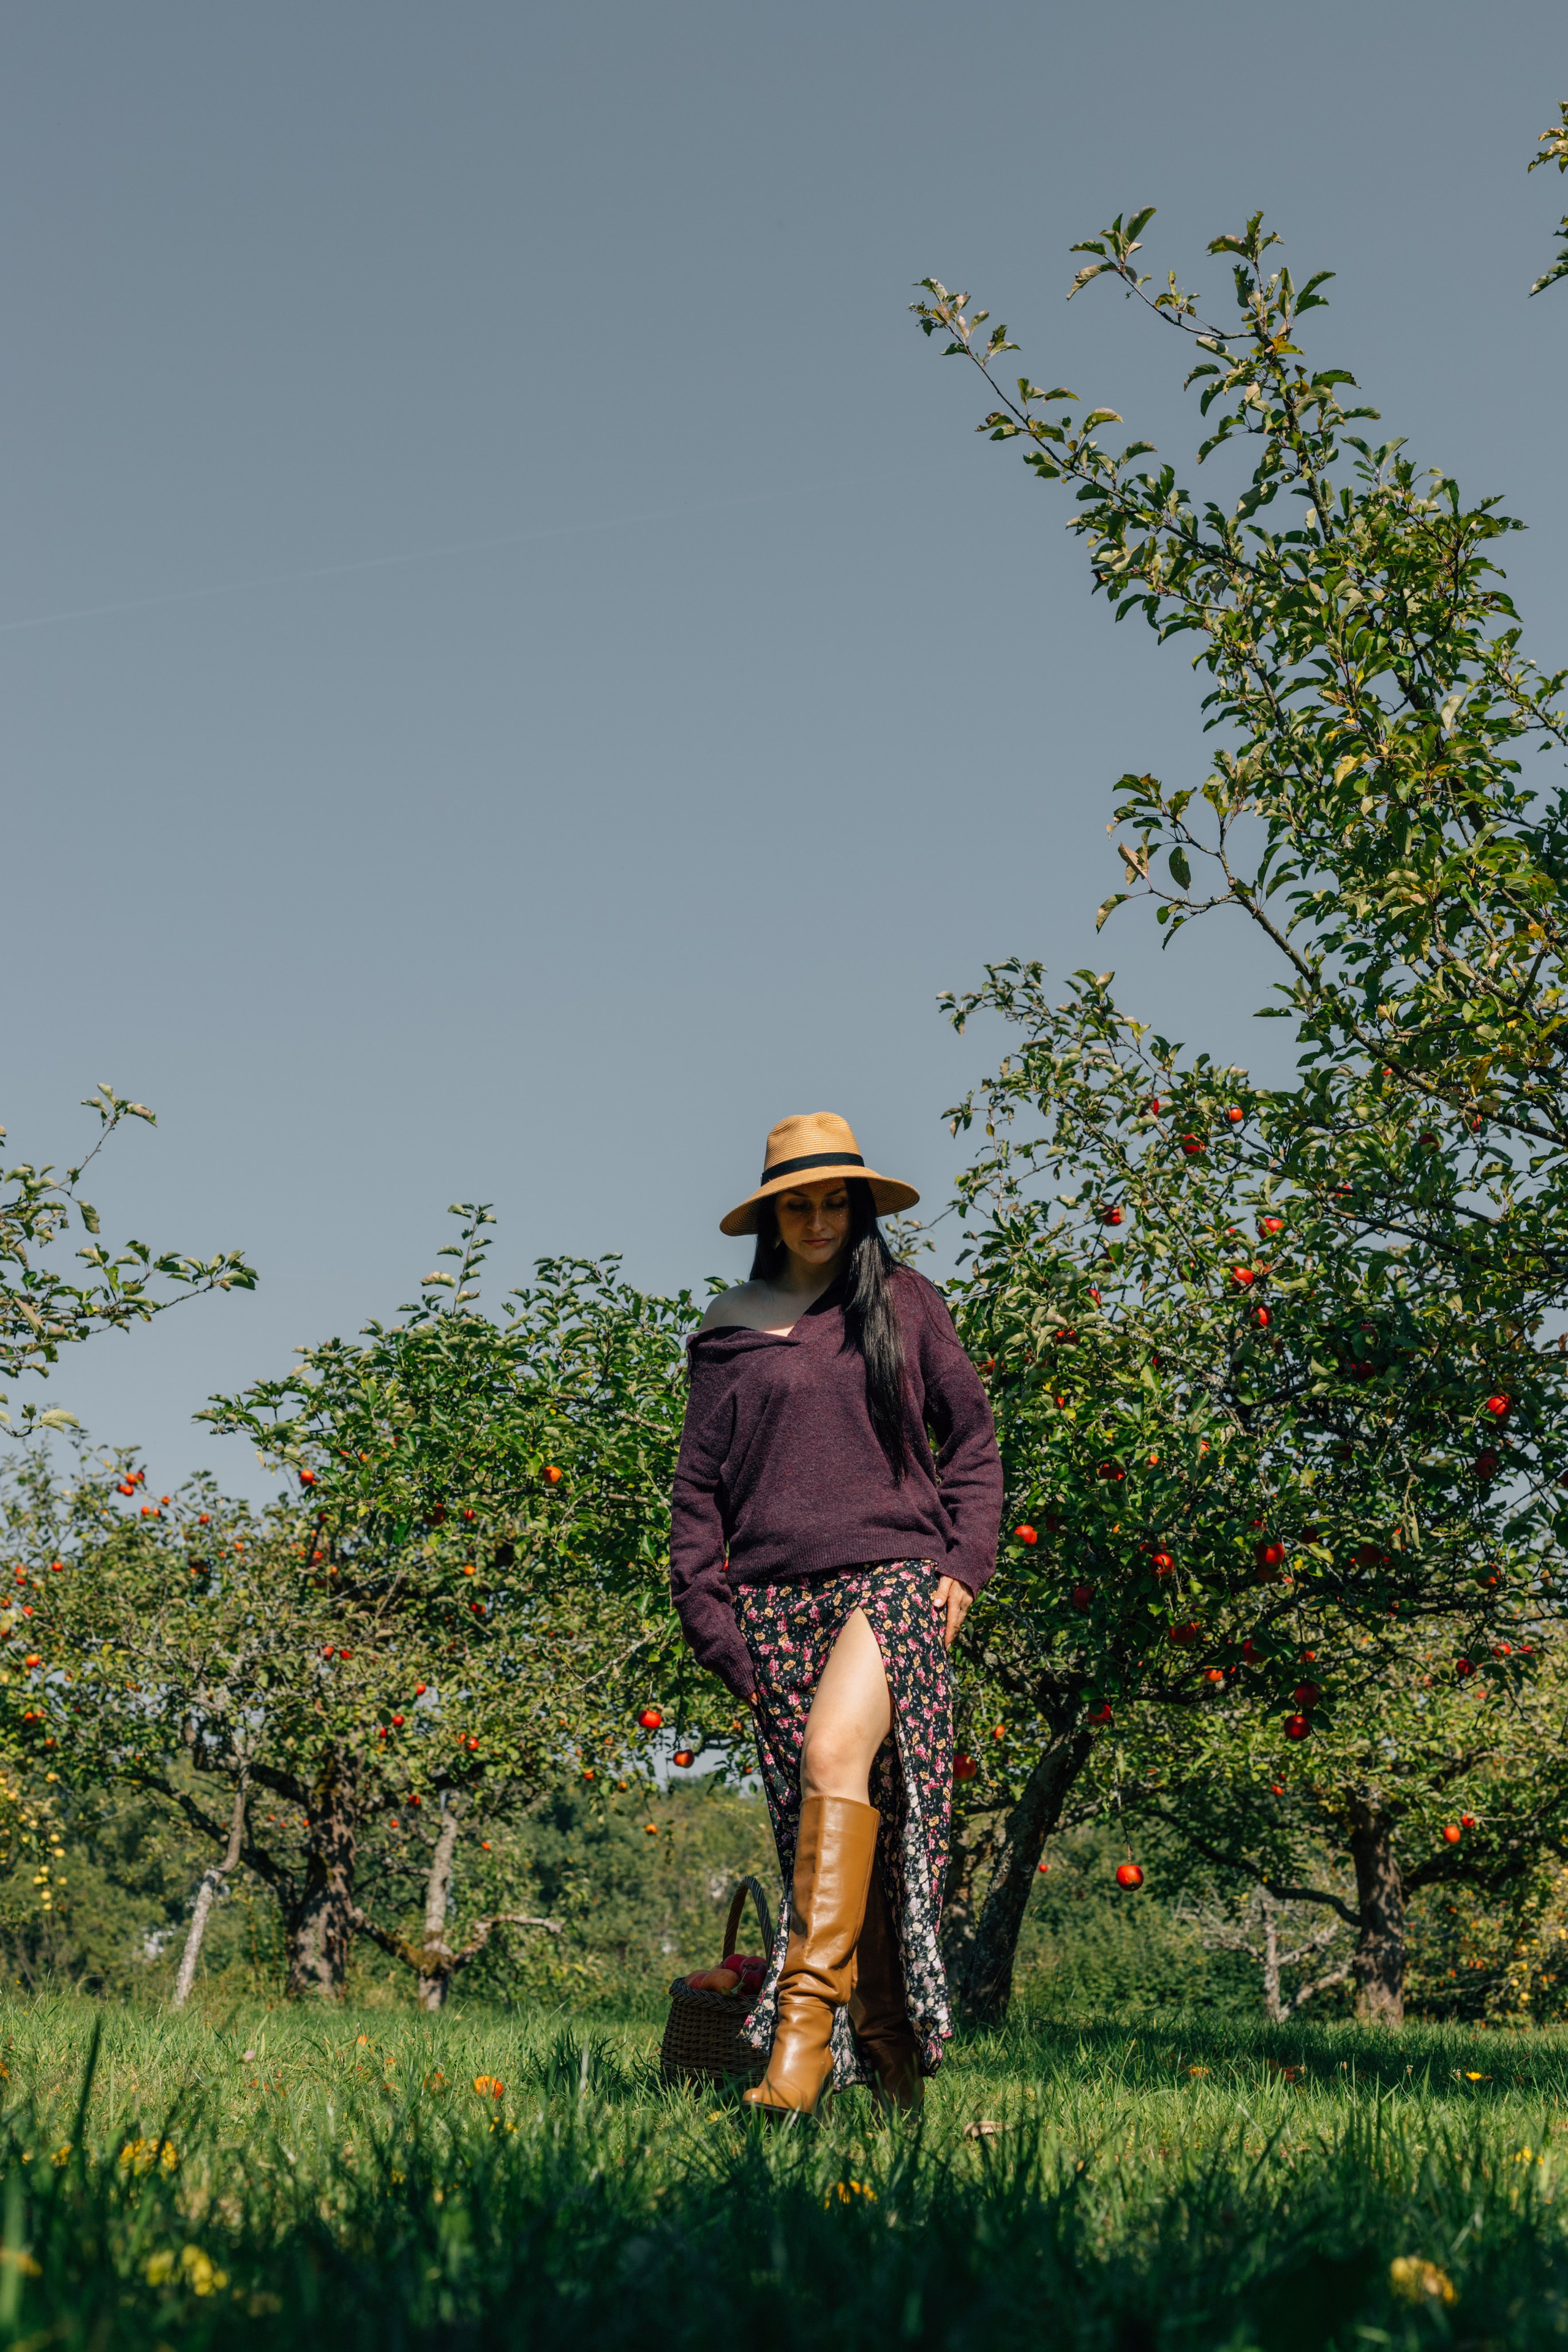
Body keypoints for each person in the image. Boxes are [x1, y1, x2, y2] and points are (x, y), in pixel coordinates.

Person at [669, 1112, 1003, 2116]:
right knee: (864, 1832)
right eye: (799, 1203)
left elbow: (974, 1441)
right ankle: (890, 2063)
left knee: (830, 1761)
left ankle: (800, 2049)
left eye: (835, 1200)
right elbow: (698, 1494)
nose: (819, 1218)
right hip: (772, 1603)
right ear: (773, 1213)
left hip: (893, 1581)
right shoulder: (731, 1328)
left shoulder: (903, 1303)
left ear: (860, 1207)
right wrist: (712, 1621)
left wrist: (965, 1566)